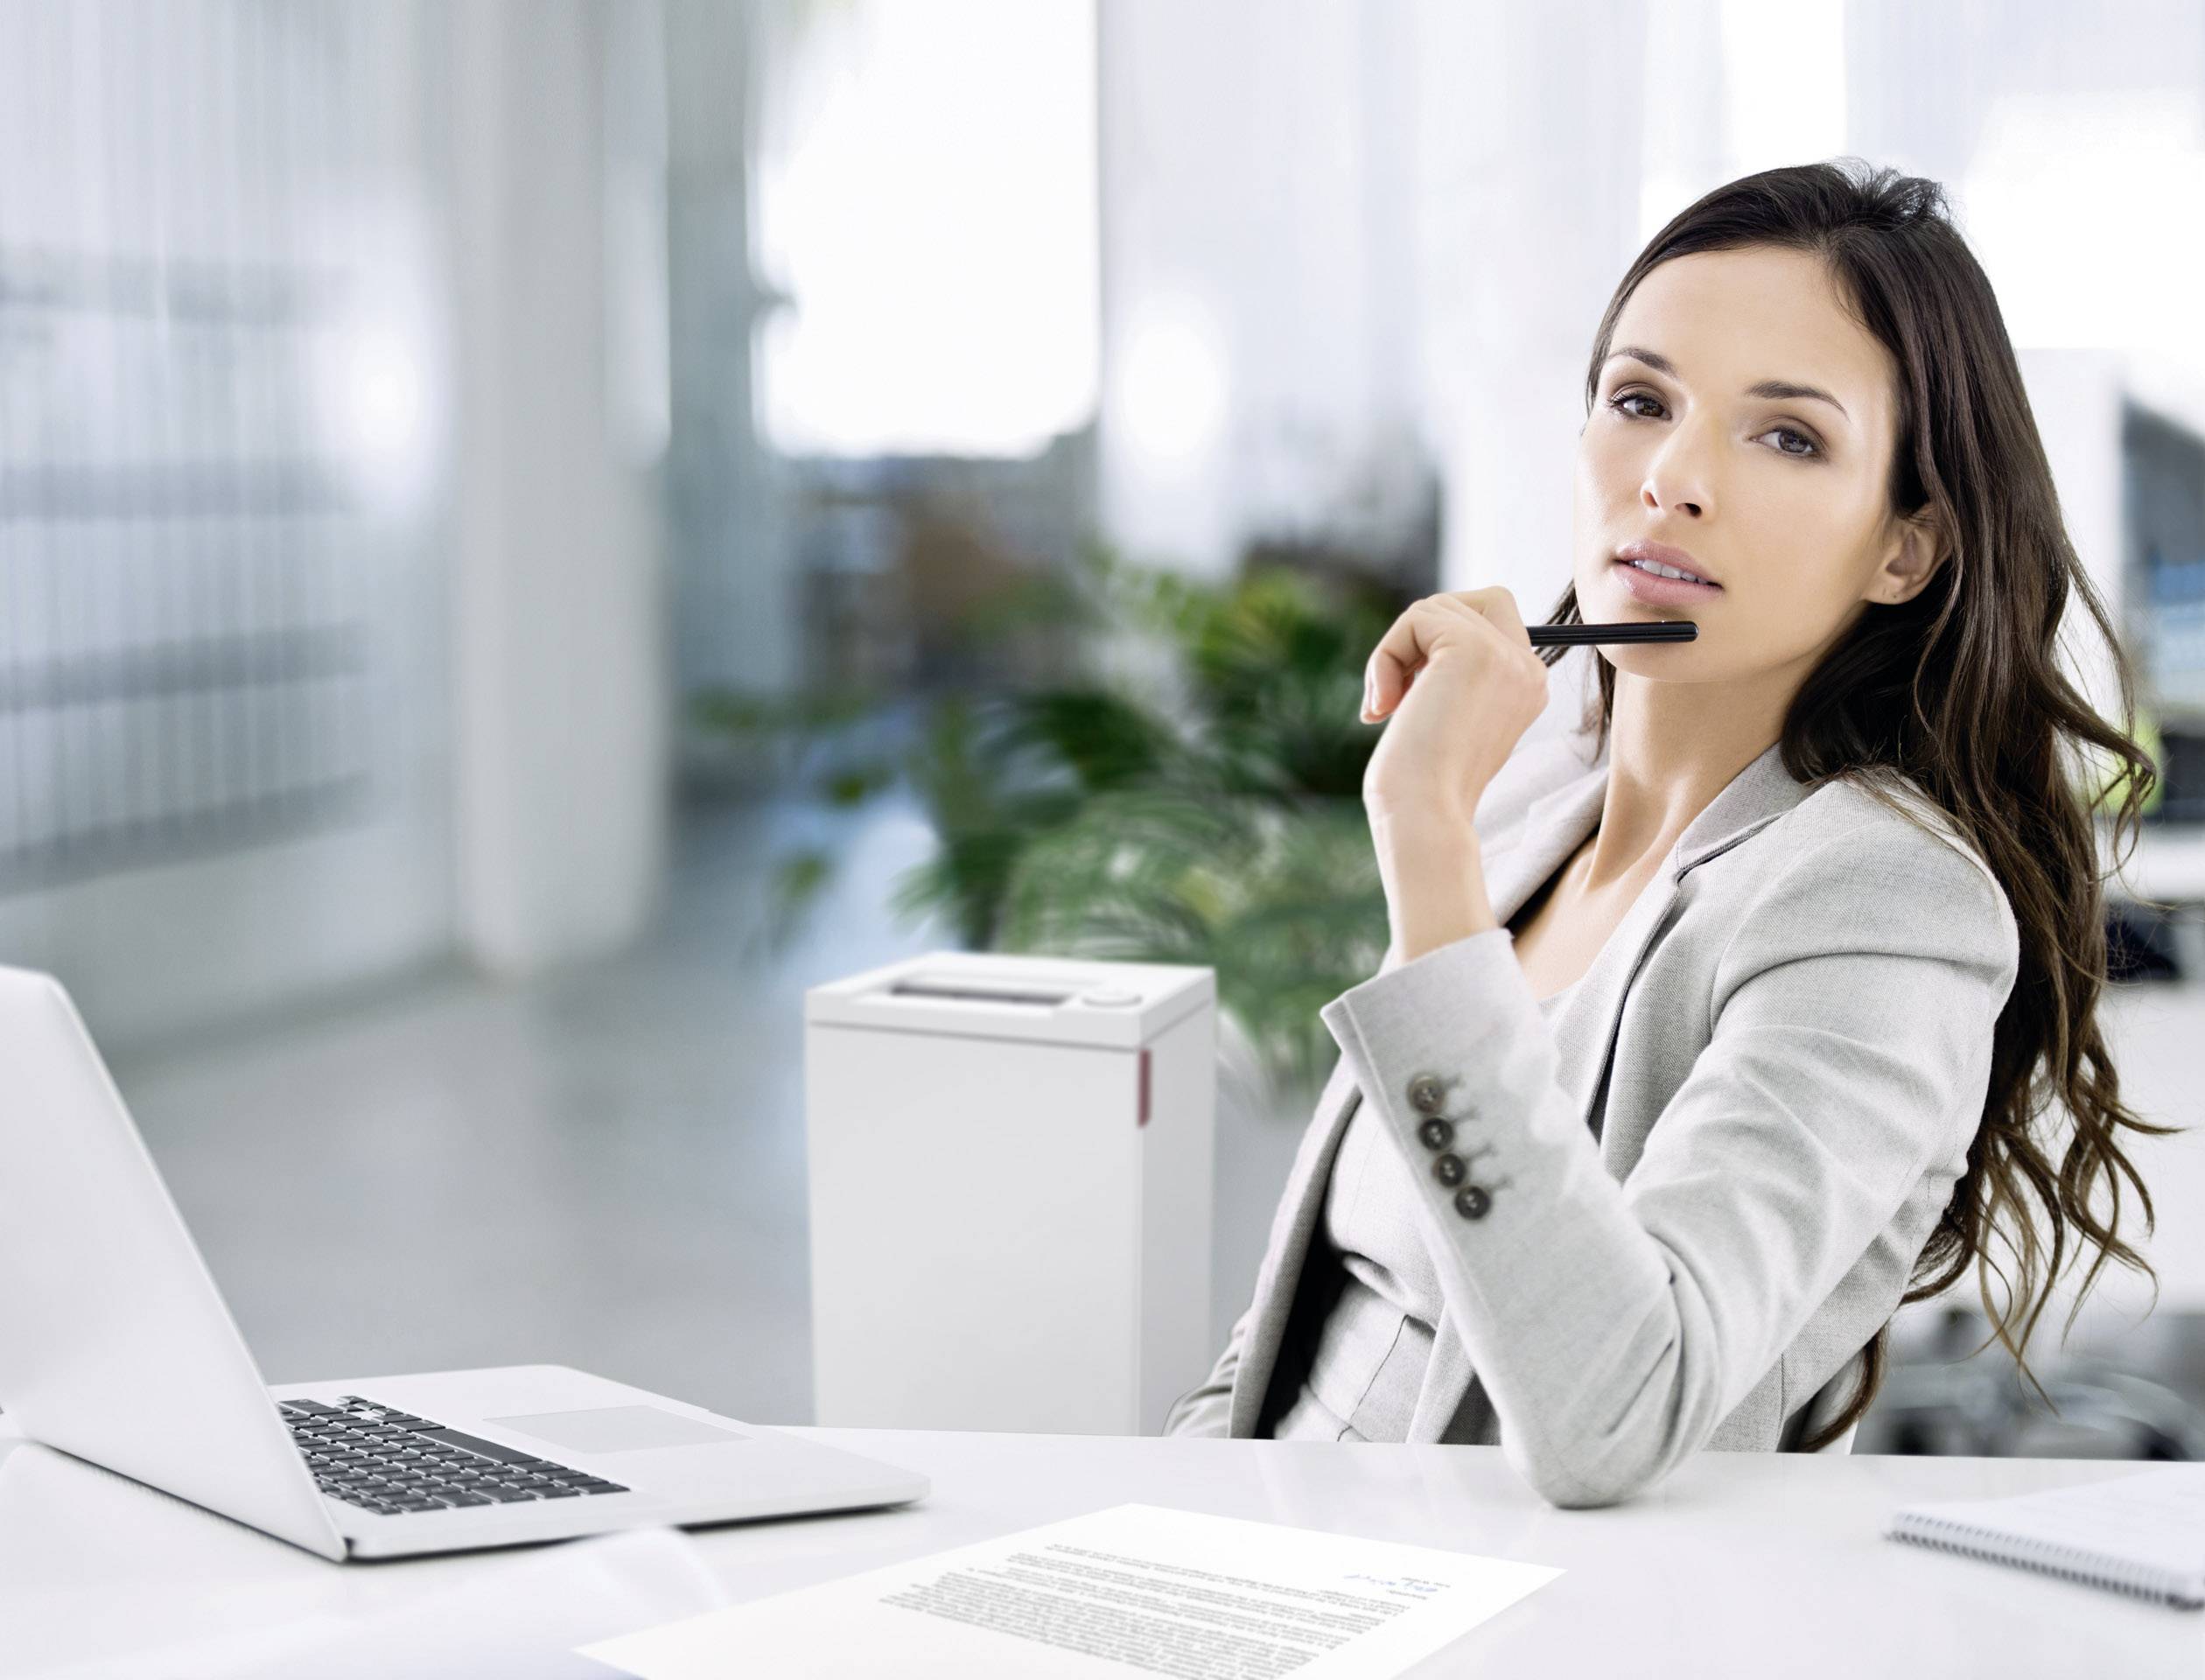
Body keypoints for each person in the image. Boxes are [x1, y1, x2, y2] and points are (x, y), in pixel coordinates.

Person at [1161, 159, 2169, 1509]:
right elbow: (1304, 1330)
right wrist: (1152, 1520)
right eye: (1640, 402)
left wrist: (1420, 840)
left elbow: (1615, 1412)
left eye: (1788, 436)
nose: (1674, 479)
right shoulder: (1536, 807)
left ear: (1906, 552)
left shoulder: (1885, 897)